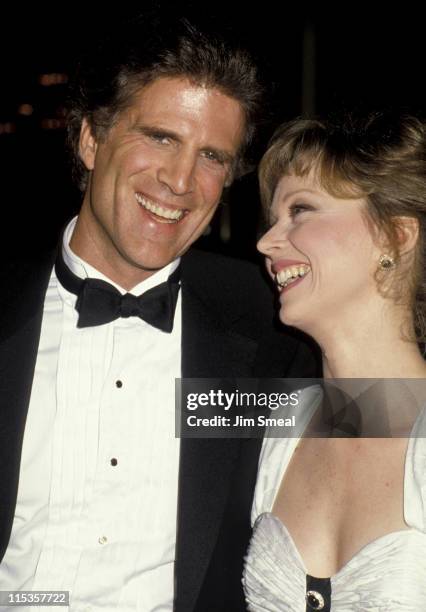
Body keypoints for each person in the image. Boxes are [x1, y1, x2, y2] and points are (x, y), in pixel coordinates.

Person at [0, 15, 318, 612]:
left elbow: (386, 425)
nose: (180, 181)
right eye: (161, 138)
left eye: (212, 157)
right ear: (90, 140)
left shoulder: (274, 324)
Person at [243, 111, 426, 610]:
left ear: (395, 236)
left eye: (301, 210)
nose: (265, 242)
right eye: (273, 218)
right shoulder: (276, 426)